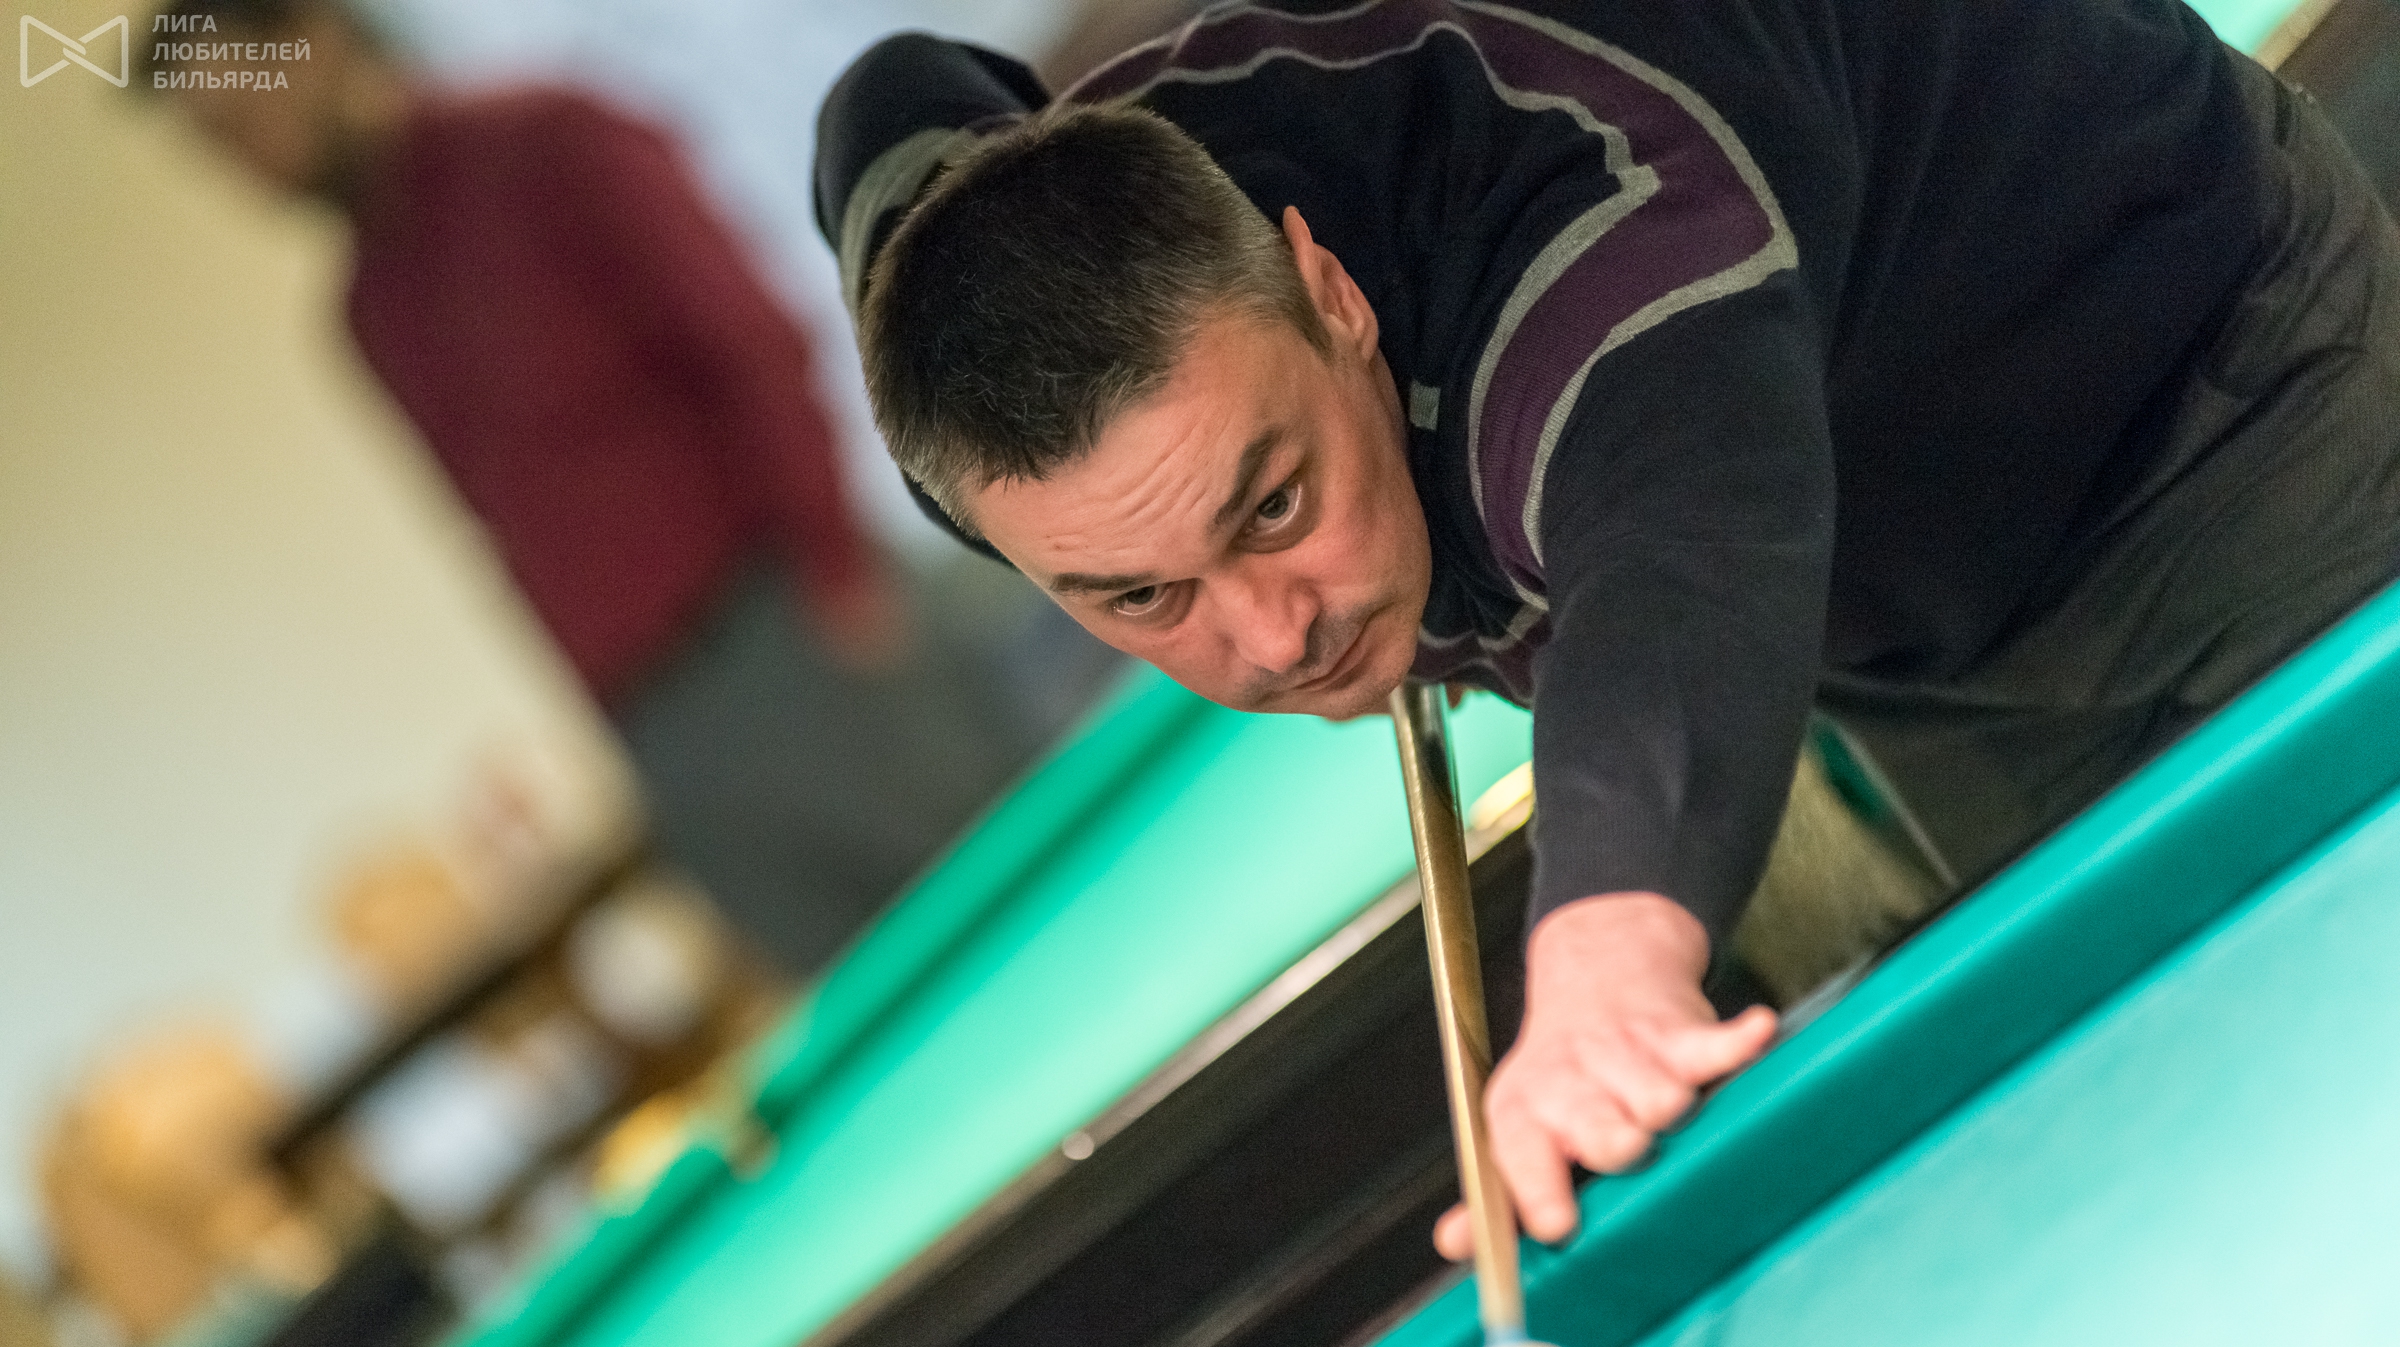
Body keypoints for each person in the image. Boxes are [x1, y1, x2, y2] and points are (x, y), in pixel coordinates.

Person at [814, 0, 2400, 1258]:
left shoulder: (1596, 243)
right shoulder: (989, 410)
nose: (1273, 636)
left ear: (1332, 296)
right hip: (1916, 634)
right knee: (2202, 1071)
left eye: (1274, 503)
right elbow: (894, 106)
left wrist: (1601, 966)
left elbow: (1675, 571)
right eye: (1142, 597)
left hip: (2203, 375)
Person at [151, 0, 1078, 976]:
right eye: (216, 149)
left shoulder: (546, 140)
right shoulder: (365, 314)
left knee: (1032, 911)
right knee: (873, 994)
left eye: (242, 119)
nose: (245, 166)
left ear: (315, 39)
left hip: (794, 630)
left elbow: (750, 345)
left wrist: (838, 575)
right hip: (662, 732)